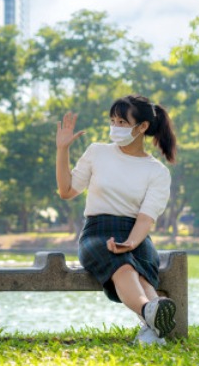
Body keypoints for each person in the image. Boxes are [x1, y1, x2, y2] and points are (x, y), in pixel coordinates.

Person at [55, 94, 177, 345]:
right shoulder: (97, 152)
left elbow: (145, 219)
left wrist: (131, 242)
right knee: (124, 266)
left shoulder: (157, 172)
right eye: (113, 120)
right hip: (97, 232)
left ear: (142, 127)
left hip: (137, 234)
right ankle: (150, 311)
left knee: (140, 271)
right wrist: (62, 149)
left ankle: (151, 328)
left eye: (122, 122)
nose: (115, 127)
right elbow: (67, 191)